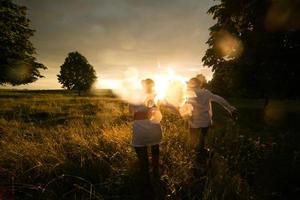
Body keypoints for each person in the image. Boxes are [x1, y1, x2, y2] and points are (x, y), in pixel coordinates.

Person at [183, 76, 238, 153]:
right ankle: (201, 150)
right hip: (205, 121)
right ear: (199, 84)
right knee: (202, 137)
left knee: (192, 139)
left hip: (193, 121)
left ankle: (192, 152)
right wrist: (230, 109)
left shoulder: (188, 94)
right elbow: (219, 99)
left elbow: (185, 107)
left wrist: (186, 119)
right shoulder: (206, 93)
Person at [129, 78, 162, 184]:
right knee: (155, 148)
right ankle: (156, 174)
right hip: (155, 128)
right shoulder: (157, 96)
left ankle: (146, 178)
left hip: (140, 129)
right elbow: (159, 110)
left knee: (142, 153)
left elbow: (131, 111)